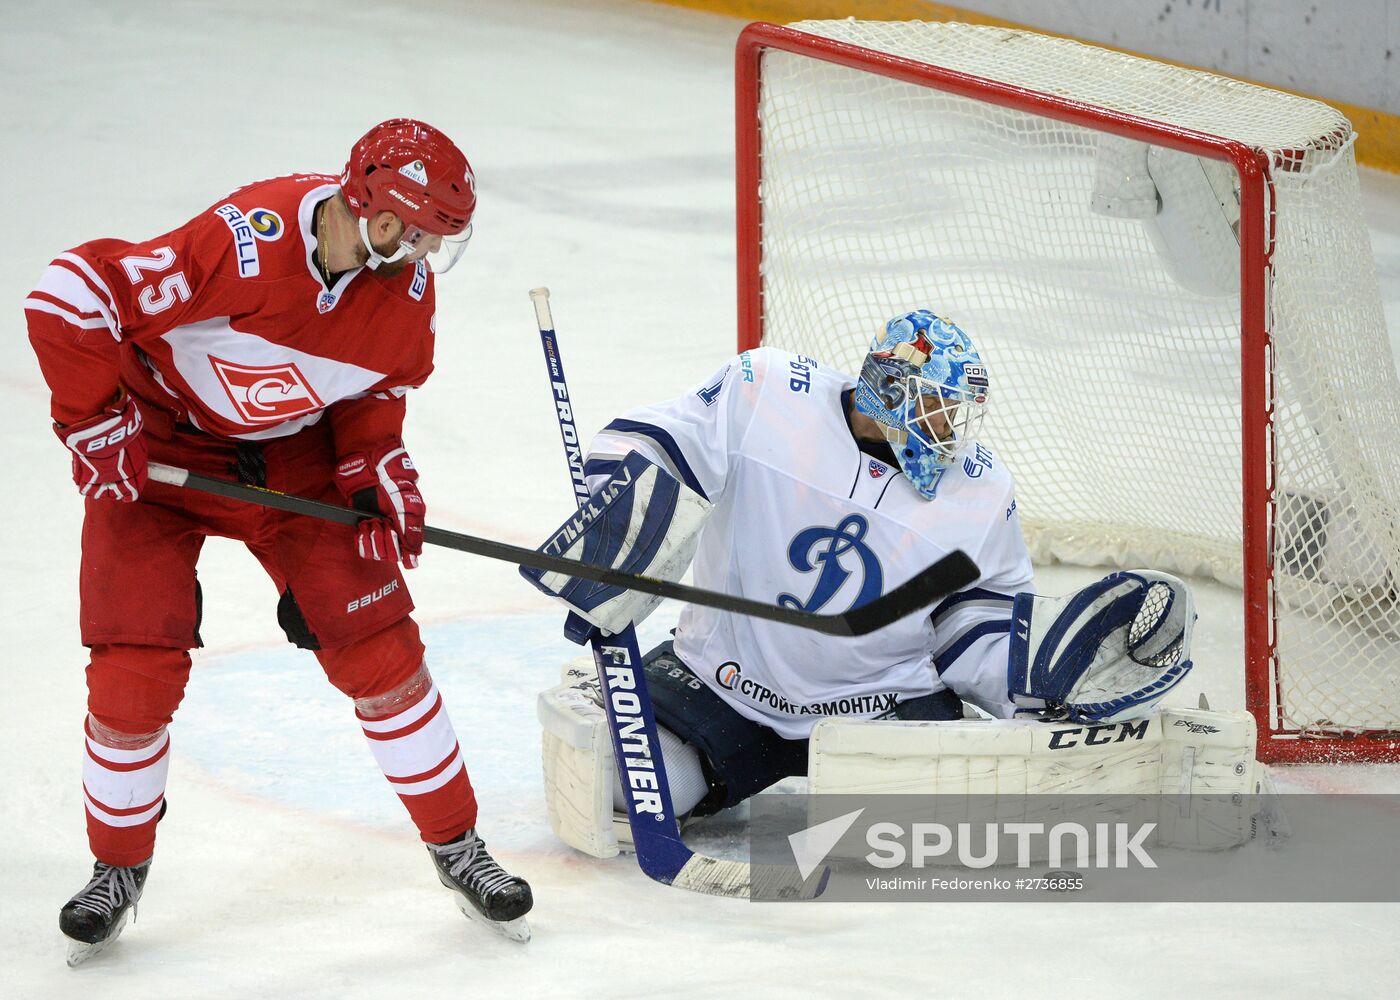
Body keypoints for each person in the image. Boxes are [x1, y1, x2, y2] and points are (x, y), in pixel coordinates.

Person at [26, 119, 532, 962]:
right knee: (133, 663)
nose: (419, 254)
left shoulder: (403, 293)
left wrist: (376, 462)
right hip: (156, 453)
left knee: (380, 650)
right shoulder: (242, 240)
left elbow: (375, 392)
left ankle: (457, 846)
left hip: (294, 461)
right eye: (408, 230)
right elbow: (70, 294)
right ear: (363, 201)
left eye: (432, 240)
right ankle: (116, 870)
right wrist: (92, 420)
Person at [528, 310, 1200, 857]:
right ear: (890, 390)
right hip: (725, 681)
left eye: (957, 415)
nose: (949, 433)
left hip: (881, 703)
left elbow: (978, 626)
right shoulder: (766, 391)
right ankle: (623, 706)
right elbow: (652, 447)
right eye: (938, 409)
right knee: (624, 788)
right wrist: (613, 541)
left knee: (936, 835)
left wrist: (1042, 682)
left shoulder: (981, 491)